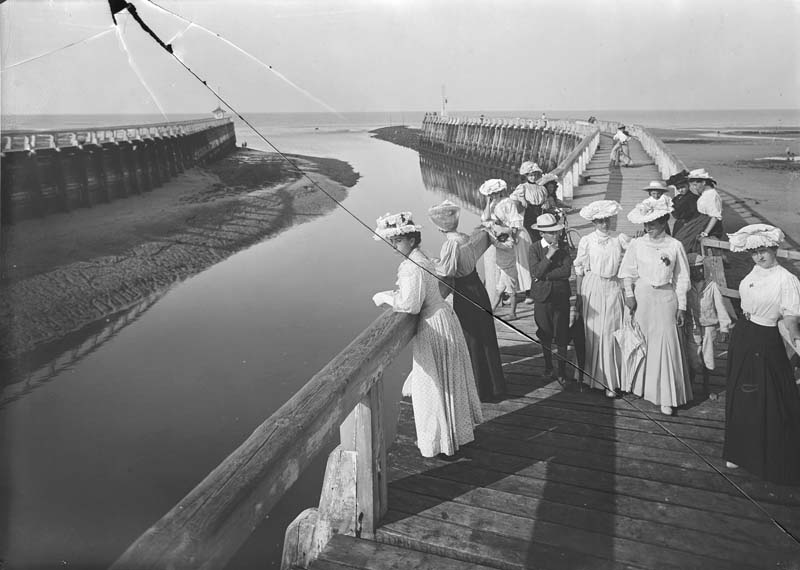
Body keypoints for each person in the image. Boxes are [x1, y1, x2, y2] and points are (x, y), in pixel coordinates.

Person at [371, 211, 483, 458]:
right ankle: (453, 435)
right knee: (444, 379)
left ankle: (441, 440)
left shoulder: (412, 266)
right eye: (392, 241)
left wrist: (387, 297)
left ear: (411, 240)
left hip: (433, 325)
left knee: (433, 384)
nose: (394, 246)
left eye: (398, 240)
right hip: (444, 318)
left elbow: (410, 305)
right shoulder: (422, 258)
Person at [723, 224, 800, 484]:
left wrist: (796, 338)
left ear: (774, 248)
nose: (759, 256)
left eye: (764, 251)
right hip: (743, 334)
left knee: (764, 395)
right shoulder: (754, 271)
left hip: (765, 340)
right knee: (739, 393)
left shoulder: (786, 279)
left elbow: (790, 318)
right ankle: (737, 450)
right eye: (754, 252)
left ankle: (764, 455)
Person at [618, 200, 692, 415]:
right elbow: (627, 273)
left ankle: (666, 397)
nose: (648, 228)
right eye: (646, 224)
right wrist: (630, 296)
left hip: (666, 297)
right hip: (642, 297)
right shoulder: (637, 244)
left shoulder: (674, 245)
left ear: (663, 222)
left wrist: (682, 306)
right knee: (643, 340)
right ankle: (640, 386)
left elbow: (682, 278)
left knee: (666, 342)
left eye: (653, 223)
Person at [429, 200, 506, 402]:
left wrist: (432, 265)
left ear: (439, 227)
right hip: (477, 288)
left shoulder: (450, 245)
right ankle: (495, 385)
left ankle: (480, 390)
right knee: (486, 335)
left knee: (472, 339)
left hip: (465, 292)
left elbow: (447, 272)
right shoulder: (465, 238)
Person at [574, 200, 629, 397]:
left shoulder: (620, 238)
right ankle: (594, 377)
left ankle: (612, 381)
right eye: (600, 221)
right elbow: (579, 270)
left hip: (613, 285)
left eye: (607, 220)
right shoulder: (587, 240)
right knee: (596, 331)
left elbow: (633, 258)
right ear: (594, 222)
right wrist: (580, 297)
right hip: (593, 286)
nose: (604, 225)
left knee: (611, 330)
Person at [529, 213, 573, 385]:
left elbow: (566, 272)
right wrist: (549, 255)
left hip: (561, 296)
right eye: (551, 233)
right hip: (542, 298)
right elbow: (535, 272)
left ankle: (561, 370)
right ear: (542, 234)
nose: (556, 235)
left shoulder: (564, 247)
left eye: (556, 232)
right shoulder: (534, 248)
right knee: (544, 333)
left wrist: (544, 276)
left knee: (562, 334)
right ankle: (548, 367)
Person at [684, 253, 732, 395]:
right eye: (692, 270)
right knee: (693, 355)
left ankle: (707, 387)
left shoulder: (712, 286)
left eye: (699, 268)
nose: (697, 272)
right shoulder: (686, 288)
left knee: (708, 356)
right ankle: (690, 386)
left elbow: (721, 308)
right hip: (692, 327)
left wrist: (724, 328)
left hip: (709, 326)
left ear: (704, 268)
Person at [480, 178, 532, 307]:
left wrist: (513, 237)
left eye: (496, 192)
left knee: (522, 264)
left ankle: (529, 293)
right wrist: (487, 202)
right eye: (491, 194)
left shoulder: (507, 202)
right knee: (513, 265)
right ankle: (513, 291)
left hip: (517, 234)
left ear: (501, 191)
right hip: (506, 235)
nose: (494, 195)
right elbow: (485, 218)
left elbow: (515, 221)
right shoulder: (492, 204)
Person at [687, 168, 724, 252]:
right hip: (701, 222)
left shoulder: (712, 195)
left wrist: (705, 233)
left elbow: (715, 216)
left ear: (703, 183)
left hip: (709, 227)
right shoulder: (705, 193)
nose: (694, 188)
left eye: (695, 185)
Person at [511, 161, 547, 243]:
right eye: (531, 176)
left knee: (541, 234)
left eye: (534, 175)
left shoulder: (541, 188)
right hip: (529, 213)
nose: (533, 178)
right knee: (531, 235)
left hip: (540, 212)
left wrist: (545, 203)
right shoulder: (523, 187)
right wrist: (522, 199)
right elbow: (513, 199)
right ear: (527, 176)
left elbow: (545, 199)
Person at [669, 169, 701, 250]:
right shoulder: (676, 198)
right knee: (676, 242)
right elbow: (673, 209)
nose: (681, 190)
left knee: (685, 244)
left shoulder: (693, 198)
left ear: (688, 185)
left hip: (688, 224)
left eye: (683, 187)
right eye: (678, 188)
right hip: (678, 224)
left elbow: (695, 213)